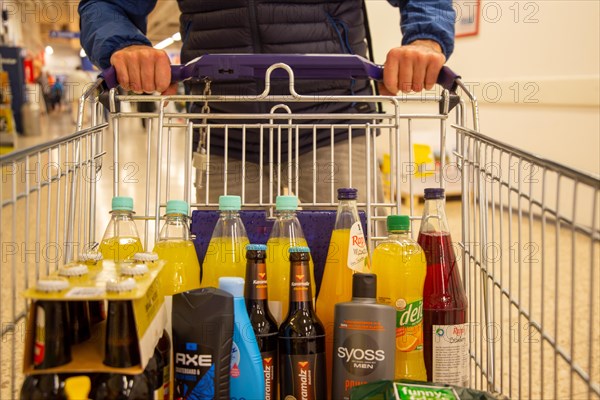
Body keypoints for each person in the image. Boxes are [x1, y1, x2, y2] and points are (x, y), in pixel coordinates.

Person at [79, 0, 455, 205]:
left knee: (348, 277)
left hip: (334, 123)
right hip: (227, 132)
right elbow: (107, 4)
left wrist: (425, 39)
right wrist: (124, 44)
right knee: (231, 282)